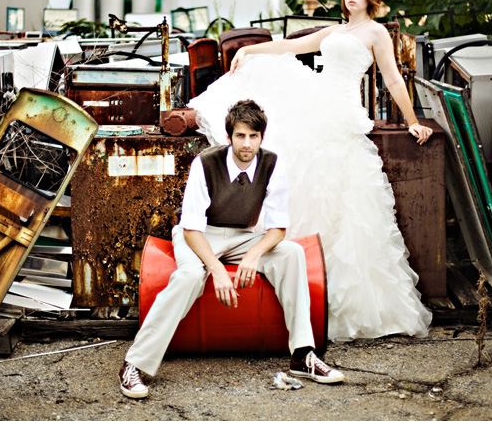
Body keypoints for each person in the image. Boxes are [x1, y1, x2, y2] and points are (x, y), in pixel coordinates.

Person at [189, 0, 434, 343]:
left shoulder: (376, 34)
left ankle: (340, 298)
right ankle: (296, 287)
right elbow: (290, 48)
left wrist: (413, 121)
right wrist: (248, 50)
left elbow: (393, 78)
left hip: (342, 113)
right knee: (303, 180)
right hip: (317, 104)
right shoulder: (334, 32)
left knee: (344, 201)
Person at [119, 99, 344, 399]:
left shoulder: (272, 165)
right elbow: (191, 228)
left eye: (253, 136)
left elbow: (278, 227)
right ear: (229, 137)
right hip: (201, 234)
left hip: (243, 236)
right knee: (188, 277)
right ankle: (134, 364)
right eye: (240, 135)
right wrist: (216, 269)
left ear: (262, 137)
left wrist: (253, 255)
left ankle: (303, 355)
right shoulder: (206, 163)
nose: (247, 143)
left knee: (292, 254)